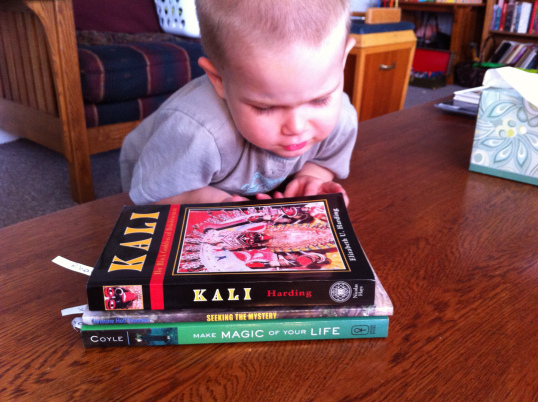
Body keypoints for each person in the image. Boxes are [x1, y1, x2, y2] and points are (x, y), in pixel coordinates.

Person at [120, 0, 357, 206]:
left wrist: (309, 178)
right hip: (162, 175)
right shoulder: (199, 133)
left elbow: (325, 161)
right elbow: (157, 195)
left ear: (343, 61)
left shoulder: (341, 119)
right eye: (266, 108)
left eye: (320, 99)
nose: (297, 127)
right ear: (219, 80)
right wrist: (220, 204)